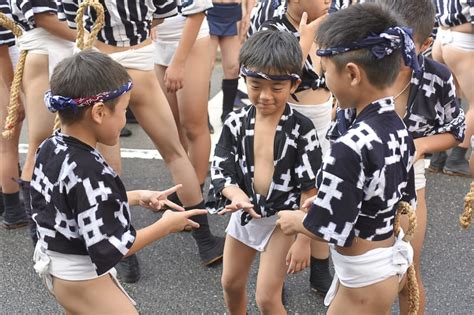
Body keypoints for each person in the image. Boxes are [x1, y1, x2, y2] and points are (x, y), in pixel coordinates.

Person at [31, 50, 207, 314]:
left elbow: (73, 203)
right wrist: (166, 226)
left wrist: (134, 196)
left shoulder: (51, 145)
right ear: (99, 112)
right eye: (124, 110)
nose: (125, 119)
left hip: (56, 266)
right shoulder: (90, 169)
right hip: (81, 278)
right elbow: (114, 246)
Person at [276, 4, 418, 314]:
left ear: (352, 73)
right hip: (382, 266)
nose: (325, 82)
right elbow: (398, 200)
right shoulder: (397, 127)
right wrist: (327, 200)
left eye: (326, 72)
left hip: (363, 282)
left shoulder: (350, 143)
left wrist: (295, 223)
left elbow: (332, 228)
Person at [330, 1, 466, 312]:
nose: (394, 54)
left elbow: (455, 131)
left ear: (427, 44)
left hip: (408, 174)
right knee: (358, 270)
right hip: (359, 175)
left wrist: (419, 146)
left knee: (408, 268)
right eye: (387, 43)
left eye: (405, 46)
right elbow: (340, 133)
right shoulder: (364, 71)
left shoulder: (438, 78)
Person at [77, 0, 224, 281]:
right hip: (140, 56)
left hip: (99, 62)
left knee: (109, 164)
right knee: (175, 152)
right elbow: (163, 14)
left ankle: (123, 253)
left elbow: (73, 21)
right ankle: (205, 240)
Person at [207, 30, 323, 314]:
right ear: (244, 80)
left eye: (277, 87)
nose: (265, 96)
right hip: (246, 212)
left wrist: (305, 240)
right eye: (256, 85)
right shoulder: (235, 122)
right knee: (230, 283)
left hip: (284, 220)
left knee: (267, 298)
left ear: (294, 83)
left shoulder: (302, 129)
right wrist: (235, 195)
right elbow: (221, 168)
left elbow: (311, 191)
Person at [258, 0, 334, 294]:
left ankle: (319, 269)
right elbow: (275, 81)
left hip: (326, 123)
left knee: (322, 190)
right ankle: (276, 274)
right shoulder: (272, 28)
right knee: (287, 196)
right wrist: (304, 40)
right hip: (287, 126)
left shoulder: (335, 23)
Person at [7, 0, 76, 242]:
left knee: (80, 142)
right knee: (40, 145)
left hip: (71, 53)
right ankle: (39, 234)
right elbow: (44, 17)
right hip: (47, 53)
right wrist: (90, 37)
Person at [153, 0, 213, 196]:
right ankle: (183, 187)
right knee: (171, 125)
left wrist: (178, 63)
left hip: (190, 41)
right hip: (158, 43)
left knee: (193, 124)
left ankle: (196, 191)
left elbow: (197, 12)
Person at [430, 0, 473, 177]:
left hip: (441, 37)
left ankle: (438, 154)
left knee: (448, 99)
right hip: (463, 41)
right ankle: (456, 158)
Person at [0, 1, 27, 228]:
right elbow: (2, 50)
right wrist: (13, 95)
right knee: (7, 147)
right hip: (2, 70)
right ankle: (13, 211)